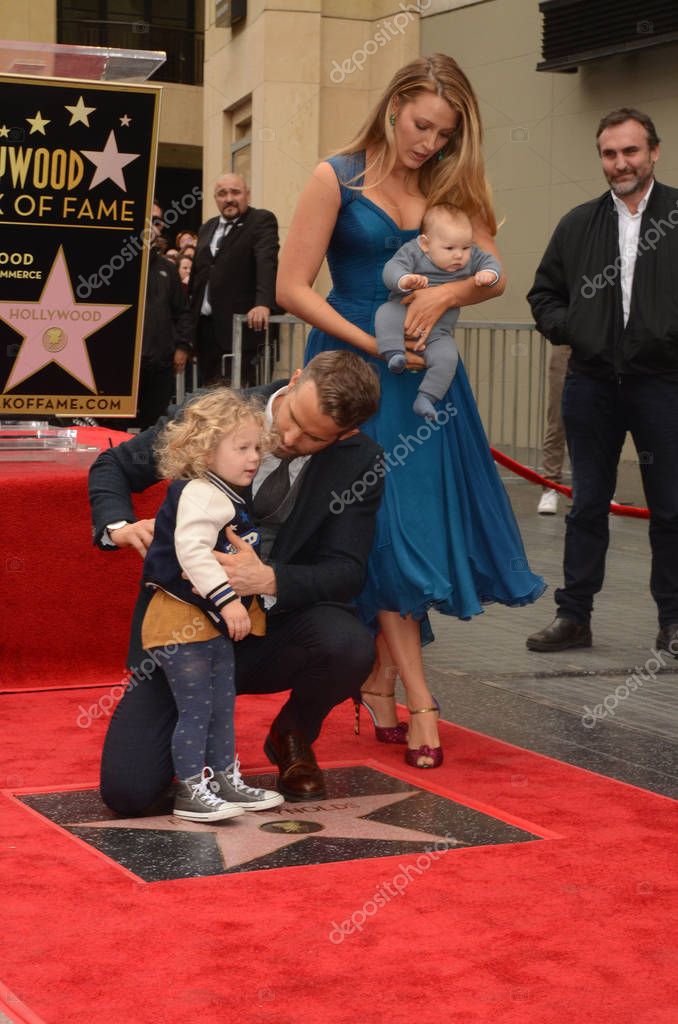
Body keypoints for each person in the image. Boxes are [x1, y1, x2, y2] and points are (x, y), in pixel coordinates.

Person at [276, 53, 545, 769]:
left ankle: (381, 680)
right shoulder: (333, 175)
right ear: (394, 105)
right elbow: (292, 287)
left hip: (427, 380)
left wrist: (444, 296)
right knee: (385, 526)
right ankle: (421, 700)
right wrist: (375, 344)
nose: (428, 142)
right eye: (421, 124)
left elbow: (492, 272)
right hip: (353, 369)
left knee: (417, 525)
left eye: (443, 133)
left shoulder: (451, 183)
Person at [89, 350, 383, 813]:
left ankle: (292, 734)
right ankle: (196, 762)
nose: (287, 438)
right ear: (297, 377)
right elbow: (114, 466)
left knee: (350, 644)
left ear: (345, 434)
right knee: (129, 794)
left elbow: (347, 570)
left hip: (271, 632)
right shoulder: (218, 412)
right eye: (291, 418)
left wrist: (268, 578)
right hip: (185, 634)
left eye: (312, 438)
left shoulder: (361, 459)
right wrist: (119, 527)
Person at [526, 108, 678, 655]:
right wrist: (578, 330)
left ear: (654, 152)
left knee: (671, 507)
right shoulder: (577, 224)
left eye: (631, 151)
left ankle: (674, 621)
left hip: (664, 385)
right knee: (587, 503)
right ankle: (575, 617)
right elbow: (544, 294)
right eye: (610, 154)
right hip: (591, 383)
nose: (620, 163)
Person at [142, 390, 284, 820]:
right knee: (197, 708)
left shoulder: (226, 492)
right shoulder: (203, 493)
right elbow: (193, 551)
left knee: (222, 705)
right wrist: (229, 603)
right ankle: (190, 790)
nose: (254, 457)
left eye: (257, 447)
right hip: (180, 619)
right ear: (205, 450)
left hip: (207, 622)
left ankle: (223, 779)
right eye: (241, 447)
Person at [375, 203, 500, 418]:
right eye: (450, 248)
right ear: (425, 244)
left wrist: (489, 273)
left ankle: (427, 397)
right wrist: (404, 279)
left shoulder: (471, 258)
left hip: (439, 332)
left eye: (466, 247)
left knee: (447, 358)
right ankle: (394, 353)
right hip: (403, 314)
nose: (459, 256)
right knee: (386, 313)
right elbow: (391, 269)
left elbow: (490, 261)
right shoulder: (413, 251)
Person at [189, 173, 279, 387]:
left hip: (243, 332)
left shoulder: (261, 220)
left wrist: (263, 303)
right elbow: (197, 275)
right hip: (205, 332)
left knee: (241, 400)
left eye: (235, 192)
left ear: (247, 194)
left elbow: (266, 262)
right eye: (222, 193)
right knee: (207, 398)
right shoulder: (206, 227)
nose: (229, 198)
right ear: (215, 199)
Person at [136, 201, 192, 429]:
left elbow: (183, 312)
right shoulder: (115, 263)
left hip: (159, 365)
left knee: (152, 428)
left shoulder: (168, 269)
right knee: (113, 431)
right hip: (121, 368)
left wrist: (182, 347)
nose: (152, 226)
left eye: (157, 222)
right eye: (148, 219)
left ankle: (142, 465)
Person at [536, 345, 571, 515]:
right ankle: (550, 487)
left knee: (599, 426)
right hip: (567, 346)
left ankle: (598, 489)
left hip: (600, 348)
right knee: (557, 421)